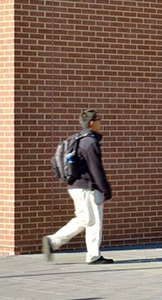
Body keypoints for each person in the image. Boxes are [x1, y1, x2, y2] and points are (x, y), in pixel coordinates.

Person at [43, 110, 113, 264]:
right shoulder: (90, 142)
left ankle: (53, 241)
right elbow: (96, 169)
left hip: (74, 186)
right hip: (87, 188)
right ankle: (94, 255)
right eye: (99, 120)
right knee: (93, 221)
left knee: (83, 219)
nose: (101, 122)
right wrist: (106, 189)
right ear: (92, 123)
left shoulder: (77, 139)